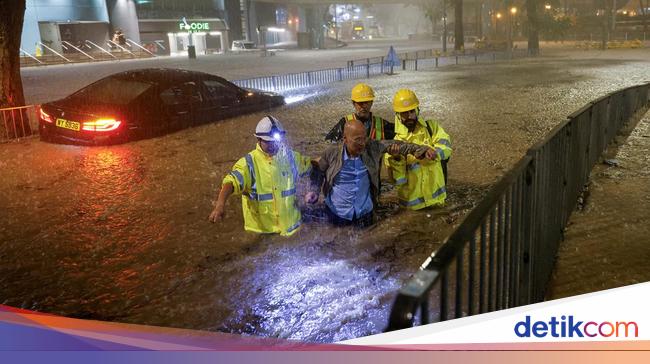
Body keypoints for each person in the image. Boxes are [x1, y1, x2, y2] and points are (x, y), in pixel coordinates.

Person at [306, 119, 436, 226]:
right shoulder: (332, 153)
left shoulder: (372, 147)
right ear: (345, 139)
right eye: (357, 140)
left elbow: (401, 145)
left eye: (364, 138)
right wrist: (314, 190)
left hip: (365, 215)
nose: (362, 144)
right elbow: (318, 170)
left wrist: (422, 150)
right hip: (337, 214)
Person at [209, 116, 311, 236]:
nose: (273, 144)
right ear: (258, 139)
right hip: (263, 234)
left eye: (276, 141)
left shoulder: (291, 157)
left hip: (292, 229)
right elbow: (230, 183)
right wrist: (219, 206)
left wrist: (311, 191)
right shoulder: (248, 163)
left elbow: (311, 167)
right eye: (269, 141)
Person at [385, 89, 452, 210]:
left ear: (417, 110)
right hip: (413, 209)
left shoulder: (432, 127)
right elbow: (398, 182)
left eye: (412, 111)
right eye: (404, 113)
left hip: (437, 201)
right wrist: (396, 159)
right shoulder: (395, 144)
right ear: (398, 116)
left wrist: (435, 153)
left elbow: (447, 147)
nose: (409, 116)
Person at [325, 83, 395, 142]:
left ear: (372, 102)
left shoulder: (382, 124)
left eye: (366, 102)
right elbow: (330, 142)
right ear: (353, 103)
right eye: (360, 103)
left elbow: (400, 134)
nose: (364, 106)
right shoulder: (345, 123)